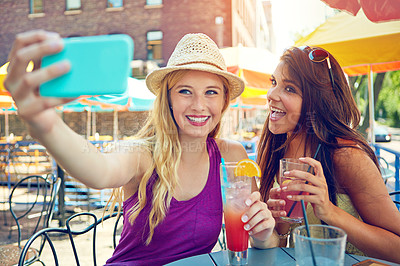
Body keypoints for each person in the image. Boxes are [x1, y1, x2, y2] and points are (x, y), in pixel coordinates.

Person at [4, 31, 276, 265]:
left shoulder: (232, 157)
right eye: (185, 91)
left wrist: (263, 235)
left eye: (211, 92)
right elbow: (99, 170)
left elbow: (262, 239)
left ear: (224, 101)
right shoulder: (142, 153)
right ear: (167, 97)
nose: (198, 105)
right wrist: (45, 124)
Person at [257, 45, 400, 263]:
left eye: (290, 89)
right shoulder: (274, 148)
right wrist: (279, 225)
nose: (271, 95)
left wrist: (329, 211)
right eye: (274, 82)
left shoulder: (346, 157)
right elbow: (282, 246)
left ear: (317, 102)